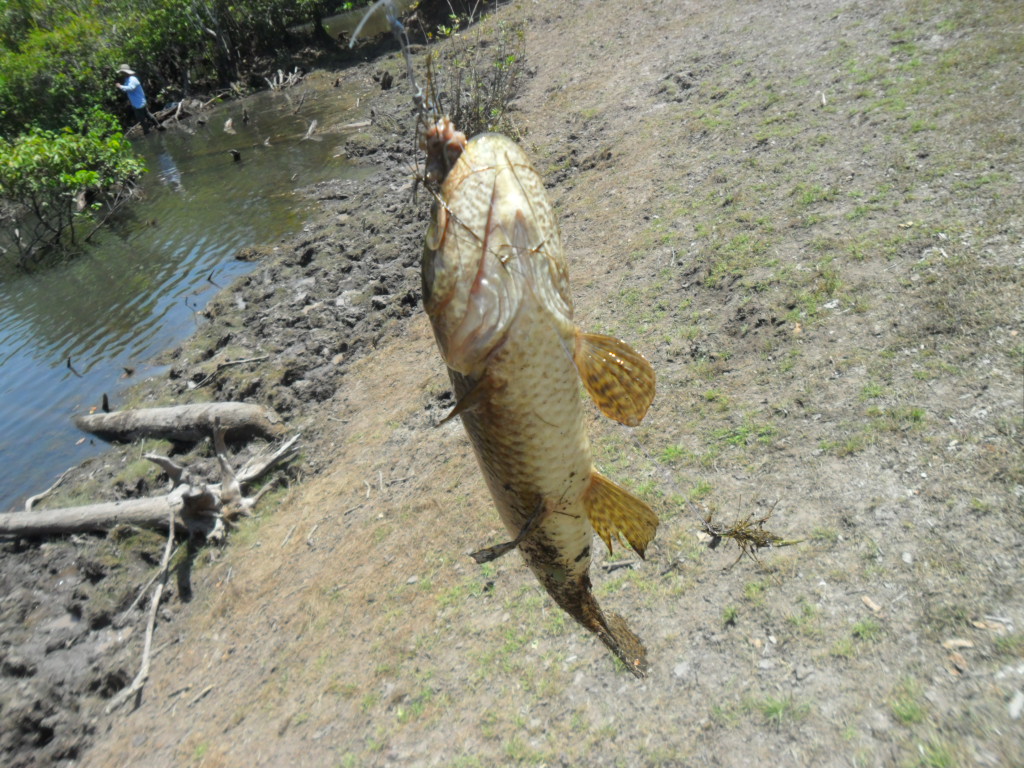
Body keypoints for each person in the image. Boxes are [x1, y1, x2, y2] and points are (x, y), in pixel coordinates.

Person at [115, 65, 157, 134]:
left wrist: (120, 86)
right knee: (147, 114)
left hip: (139, 102)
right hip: (136, 102)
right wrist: (121, 87)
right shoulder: (127, 79)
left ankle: (147, 132)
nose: (121, 74)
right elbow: (126, 89)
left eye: (122, 72)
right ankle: (158, 126)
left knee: (141, 118)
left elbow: (131, 88)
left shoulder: (132, 79)